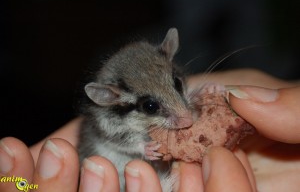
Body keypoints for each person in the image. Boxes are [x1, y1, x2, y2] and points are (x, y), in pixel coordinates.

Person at [0, 69, 299, 192]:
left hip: (161, 175)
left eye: (178, 87)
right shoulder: (109, 121)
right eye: (152, 107)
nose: (183, 119)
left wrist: (211, 94)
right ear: (113, 99)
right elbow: (114, 138)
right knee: (19, 182)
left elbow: (191, 105)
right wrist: (141, 148)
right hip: (117, 169)